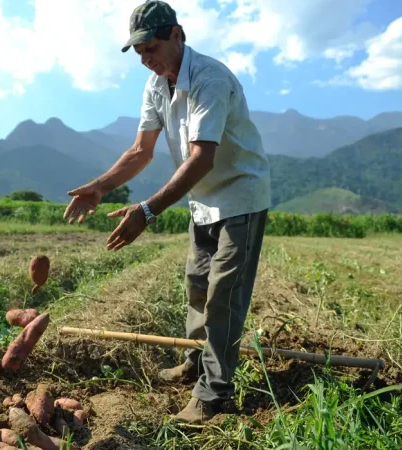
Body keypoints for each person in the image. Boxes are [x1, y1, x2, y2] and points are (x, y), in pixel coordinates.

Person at [63, 0, 271, 424]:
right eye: (139, 52)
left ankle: (214, 394)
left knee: (223, 297)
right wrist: (101, 187)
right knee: (197, 285)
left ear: (177, 35)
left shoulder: (210, 78)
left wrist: (147, 210)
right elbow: (141, 150)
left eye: (151, 48)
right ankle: (198, 360)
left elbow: (201, 159)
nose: (145, 59)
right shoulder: (157, 85)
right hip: (203, 200)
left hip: (240, 197)